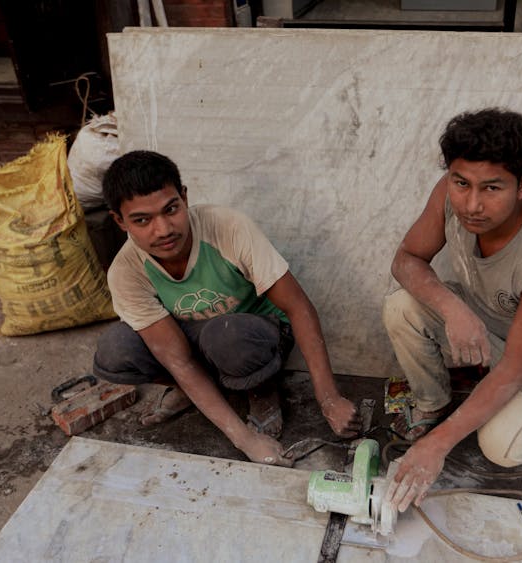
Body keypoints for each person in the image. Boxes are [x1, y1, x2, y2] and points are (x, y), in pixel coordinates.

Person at [382, 108, 522, 511]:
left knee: (503, 448)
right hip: (486, 317)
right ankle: (433, 403)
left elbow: (516, 366)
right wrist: (453, 308)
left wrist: (436, 447)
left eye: (492, 188)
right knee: (401, 306)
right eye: (461, 183)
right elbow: (406, 260)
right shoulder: (449, 195)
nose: (472, 205)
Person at [93, 150, 362, 467]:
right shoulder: (126, 272)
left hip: (254, 335)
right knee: (116, 348)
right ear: (119, 221)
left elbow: (298, 307)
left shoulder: (226, 227)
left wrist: (329, 399)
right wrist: (246, 440)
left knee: (227, 337)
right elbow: (177, 359)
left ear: (184, 197)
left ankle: (261, 390)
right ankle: (190, 392)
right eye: (142, 220)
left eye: (171, 209)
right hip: (195, 341)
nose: (163, 229)